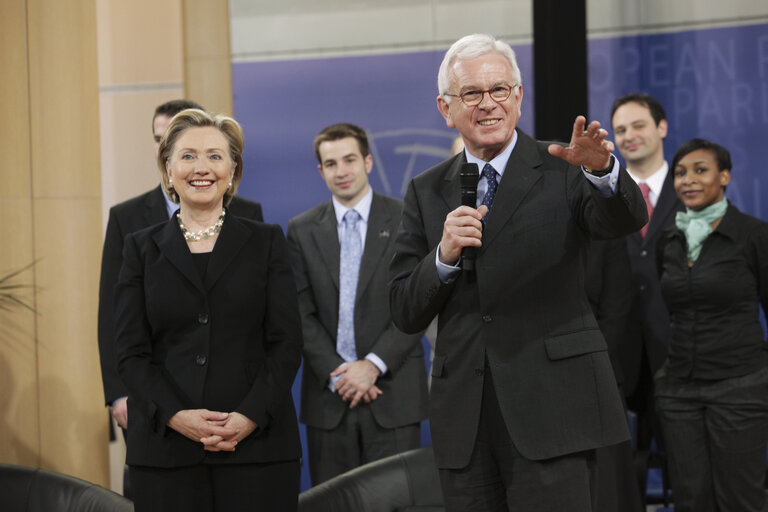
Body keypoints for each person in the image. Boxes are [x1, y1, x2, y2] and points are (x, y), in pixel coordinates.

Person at [388, 33, 647, 511]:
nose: (488, 104)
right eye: (471, 94)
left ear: (519, 98)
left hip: (554, 410)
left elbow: (623, 220)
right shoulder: (427, 191)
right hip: (465, 420)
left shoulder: (563, 166)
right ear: (445, 108)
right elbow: (404, 307)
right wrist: (443, 256)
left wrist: (605, 172)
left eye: (499, 90)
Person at [113, 109, 302, 511]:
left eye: (215, 156)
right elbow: (130, 353)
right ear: (168, 169)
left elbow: (286, 344)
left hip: (258, 450)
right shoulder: (139, 248)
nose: (202, 168)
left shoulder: (267, 241)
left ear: (233, 171)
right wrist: (177, 416)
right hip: (166, 453)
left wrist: (247, 417)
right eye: (188, 156)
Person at [98, 99, 263, 442]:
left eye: (209, 154)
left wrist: (251, 410)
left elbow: (269, 326)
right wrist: (118, 393)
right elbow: (113, 316)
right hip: (153, 405)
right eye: (165, 142)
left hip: (237, 409)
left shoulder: (251, 218)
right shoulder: (126, 220)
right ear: (165, 157)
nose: (199, 165)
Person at [287, 123, 428, 485]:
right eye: (331, 164)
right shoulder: (301, 230)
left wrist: (373, 365)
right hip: (329, 397)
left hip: (392, 392)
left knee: (398, 503)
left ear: (367, 162)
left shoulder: (406, 218)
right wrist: (341, 373)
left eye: (349, 159)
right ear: (321, 171)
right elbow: (298, 312)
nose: (342, 171)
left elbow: (418, 301)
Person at [655, 138, 768, 512]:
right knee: (690, 500)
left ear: (724, 177)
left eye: (700, 170)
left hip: (740, 388)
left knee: (741, 498)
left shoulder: (754, 235)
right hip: (678, 392)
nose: (688, 180)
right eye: (680, 173)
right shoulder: (668, 238)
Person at [610, 94, 683, 490]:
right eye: (620, 130)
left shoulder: (693, 190)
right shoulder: (602, 196)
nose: (629, 136)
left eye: (638, 125)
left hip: (682, 360)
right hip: (620, 367)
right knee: (621, 486)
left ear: (662, 127)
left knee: (691, 480)